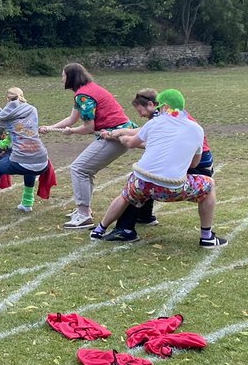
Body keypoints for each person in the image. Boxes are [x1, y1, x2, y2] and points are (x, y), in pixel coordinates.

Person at [90, 88, 225, 248]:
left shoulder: (158, 121)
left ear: (165, 106)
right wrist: (117, 133)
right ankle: (206, 236)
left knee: (136, 186)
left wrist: (119, 136)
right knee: (198, 182)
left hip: (151, 180)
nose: (156, 110)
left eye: (159, 106)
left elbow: (142, 142)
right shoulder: (192, 127)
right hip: (175, 182)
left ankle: (102, 229)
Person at [41, 63, 137, 231]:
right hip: (113, 135)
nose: (61, 79)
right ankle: (84, 210)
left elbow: (88, 127)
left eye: (63, 75)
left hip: (114, 137)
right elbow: (71, 119)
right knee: (85, 169)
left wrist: (72, 132)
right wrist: (50, 128)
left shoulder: (84, 95)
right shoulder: (85, 91)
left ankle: (84, 215)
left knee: (79, 168)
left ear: (71, 77)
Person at [0, 87, 48, 214]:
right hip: (42, 159)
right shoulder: (33, 109)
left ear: (7, 99)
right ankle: (27, 203)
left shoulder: (4, 116)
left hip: (22, 159)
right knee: (30, 168)